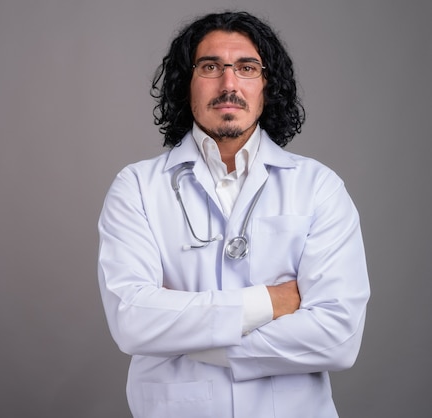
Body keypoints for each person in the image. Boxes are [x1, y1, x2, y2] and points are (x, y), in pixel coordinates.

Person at [97, 11, 370, 418]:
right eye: (210, 67)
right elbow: (132, 319)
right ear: (184, 84)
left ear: (266, 85)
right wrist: (270, 302)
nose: (229, 84)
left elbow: (337, 337)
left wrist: (187, 331)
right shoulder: (136, 186)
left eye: (246, 68)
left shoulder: (318, 186)